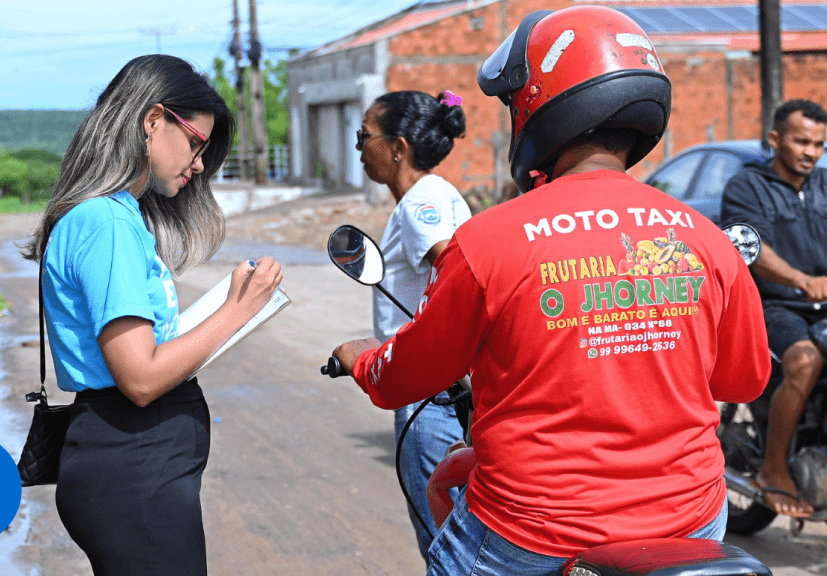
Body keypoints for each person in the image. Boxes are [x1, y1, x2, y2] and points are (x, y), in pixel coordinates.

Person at [331, 7, 770, 575]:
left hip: (535, 529)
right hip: (689, 521)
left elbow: (405, 377)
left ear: (538, 107)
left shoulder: (488, 240)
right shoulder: (704, 237)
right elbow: (743, 380)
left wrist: (364, 358)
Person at [23, 55, 283, 576]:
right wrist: (237, 311)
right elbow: (140, 378)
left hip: (134, 467)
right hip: (132, 468)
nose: (199, 165)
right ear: (152, 121)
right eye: (196, 144)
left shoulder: (116, 215)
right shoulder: (106, 222)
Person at [355, 89, 471, 563]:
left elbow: (457, 273)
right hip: (440, 387)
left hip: (431, 394)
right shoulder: (431, 195)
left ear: (398, 147)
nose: (359, 148)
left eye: (364, 136)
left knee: (445, 546)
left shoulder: (422, 200)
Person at [720, 99, 827, 519]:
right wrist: (801, 280)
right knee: (805, 360)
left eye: (818, 145)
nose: (810, 152)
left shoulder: (824, 185)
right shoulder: (746, 187)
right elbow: (750, 246)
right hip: (774, 304)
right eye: (802, 142)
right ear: (775, 139)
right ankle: (773, 467)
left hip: (823, 303)